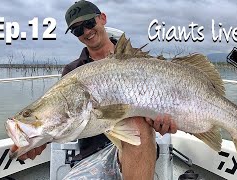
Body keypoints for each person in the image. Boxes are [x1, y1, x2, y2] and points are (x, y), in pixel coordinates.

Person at [11, 1, 177, 179]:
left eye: (89, 23)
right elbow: (65, 118)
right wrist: (40, 139)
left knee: (137, 123)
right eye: (77, 30)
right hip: (91, 157)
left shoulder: (139, 62)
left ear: (102, 18)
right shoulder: (72, 72)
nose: (86, 32)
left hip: (138, 148)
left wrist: (161, 122)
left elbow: (155, 110)